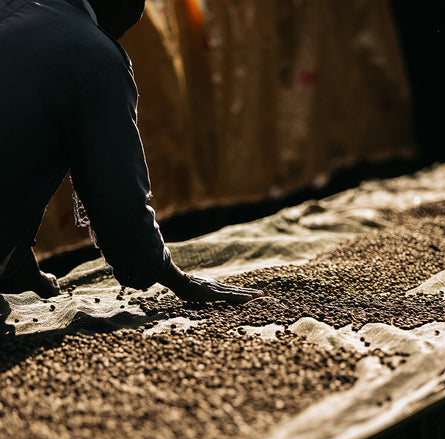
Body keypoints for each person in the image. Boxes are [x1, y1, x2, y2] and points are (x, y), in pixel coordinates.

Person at [0, 0, 262, 303]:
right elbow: (114, 191)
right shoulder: (97, 57)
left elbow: (15, 147)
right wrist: (174, 278)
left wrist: (26, 272)